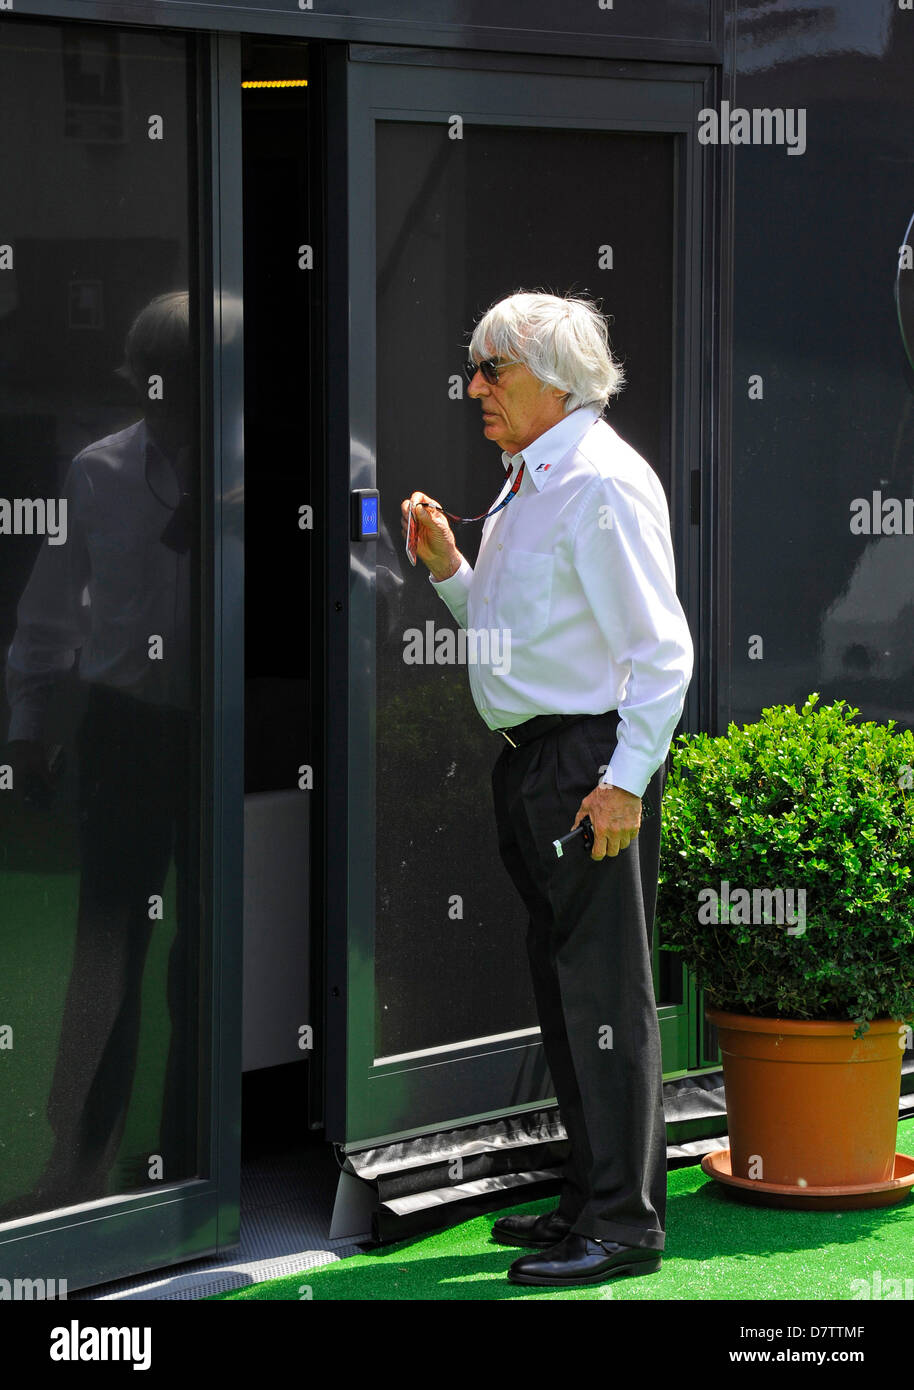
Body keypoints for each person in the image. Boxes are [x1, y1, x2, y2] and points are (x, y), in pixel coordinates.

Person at [401, 290, 693, 1288]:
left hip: (580, 764)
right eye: (475, 365)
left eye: (493, 369)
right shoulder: (533, 475)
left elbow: (660, 652)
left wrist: (621, 783)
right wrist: (448, 571)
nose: (474, 385)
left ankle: (620, 1225)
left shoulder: (597, 481)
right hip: (537, 762)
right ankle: (590, 1196)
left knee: (601, 992)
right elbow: (512, 630)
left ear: (554, 380)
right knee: (571, 992)